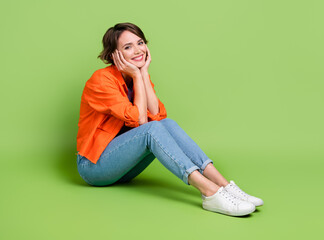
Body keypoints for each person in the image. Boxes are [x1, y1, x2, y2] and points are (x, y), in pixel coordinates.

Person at [76, 22, 263, 217]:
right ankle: (209, 192)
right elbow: (141, 122)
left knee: (166, 124)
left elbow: (157, 116)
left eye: (140, 43)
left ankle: (224, 186)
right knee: (152, 130)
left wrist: (143, 74)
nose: (137, 50)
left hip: (123, 169)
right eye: (127, 47)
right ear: (114, 54)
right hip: (94, 167)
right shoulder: (101, 80)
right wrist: (139, 76)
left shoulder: (137, 76)